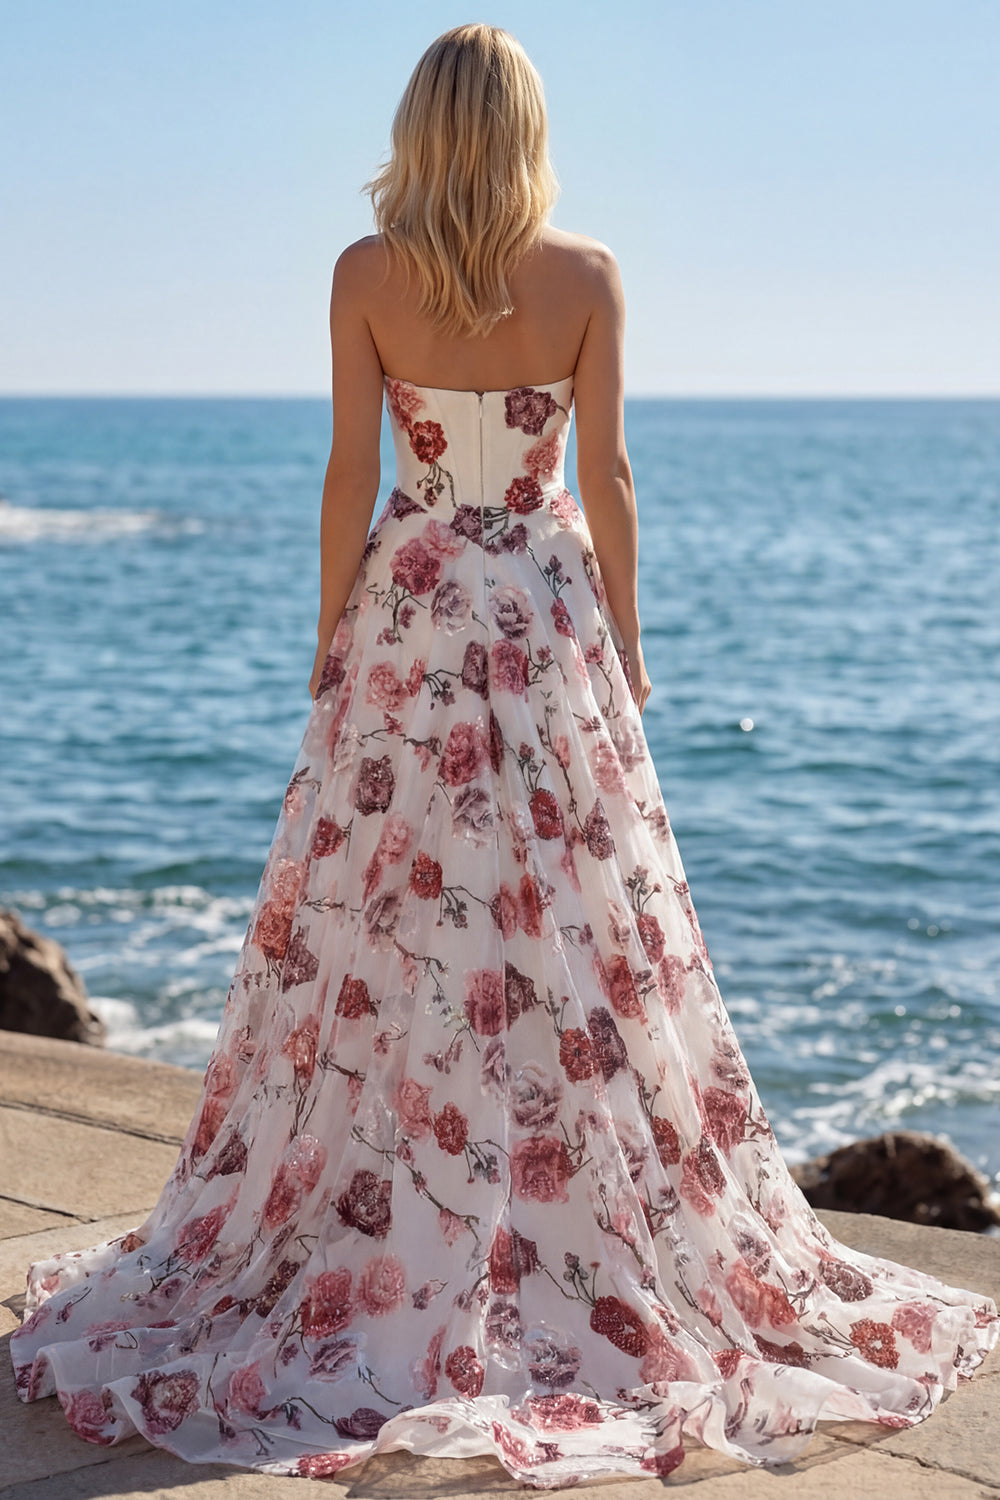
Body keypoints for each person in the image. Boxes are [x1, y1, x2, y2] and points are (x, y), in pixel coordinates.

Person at [10, 23, 998, 1489]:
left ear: (422, 129)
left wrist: (329, 626)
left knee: (392, 905)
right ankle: (570, 1200)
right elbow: (604, 477)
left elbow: (355, 467)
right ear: (527, 130)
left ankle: (386, 1191)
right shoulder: (587, 275)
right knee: (575, 918)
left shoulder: (365, 273)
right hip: (543, 610)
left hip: (410, 609)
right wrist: (637, 647)